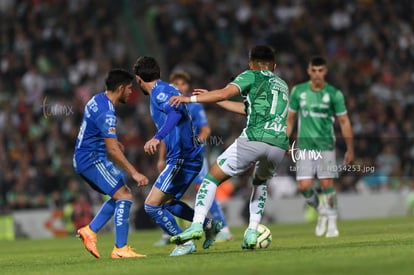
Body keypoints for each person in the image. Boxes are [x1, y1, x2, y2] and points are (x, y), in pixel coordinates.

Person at [169, 45, 289, 249]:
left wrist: (190, 99)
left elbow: (224, 93)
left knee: (212, 177)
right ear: (274, 66)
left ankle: (197, 225)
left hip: (254, 138)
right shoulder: (282, 84)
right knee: (260, 182)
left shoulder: (251, 75)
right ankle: (252, 232)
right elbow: (247, 108)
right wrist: (218, 101)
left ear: (251, 64)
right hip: (279, 144)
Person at [132, 57, 222, 256]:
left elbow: (176, 114)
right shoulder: (167, 88)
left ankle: (185, 243)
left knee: (151, 206)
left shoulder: (160, 91)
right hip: (186, 156)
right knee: (168, 203)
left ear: (138, 79)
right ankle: (208, 225)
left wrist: (156, 137)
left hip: (182, 157)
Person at [73, 68, 149, 259]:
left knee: (119, 195)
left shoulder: (96, 99)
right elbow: (113, 151)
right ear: (121, 88)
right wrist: (134, 172)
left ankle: (90, 231)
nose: (131, 93)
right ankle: (120, 248)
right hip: (91, 159)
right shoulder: (108, 113)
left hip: (87, 157)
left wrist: (113, 143)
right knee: (124, 195)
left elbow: (94, 131)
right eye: (130, 89)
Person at [154, 71, 233, 246]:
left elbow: (206, 130)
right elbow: (166, 134)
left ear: (188, 86)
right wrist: (161, 158)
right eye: (176, 84)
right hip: (174, 156)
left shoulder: (194, 104)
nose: (180, 87)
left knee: (203, 187)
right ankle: (171, 233)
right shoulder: (167, 103)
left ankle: (224, 229)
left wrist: (196, 143)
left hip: (192, 155)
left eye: (183, 84)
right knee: (166, 196)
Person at [286, 56, 354, 238]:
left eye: (320, 70)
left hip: (326, 145)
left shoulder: (334, 94)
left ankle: (332, 222)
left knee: (326, 184)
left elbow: (344, 121)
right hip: (305, 146)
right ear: (309, 71)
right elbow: (290, 119)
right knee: (304, 186)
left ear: (325, 71)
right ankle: (321, 210)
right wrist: (285, 140)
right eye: (314, 70)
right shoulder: (298, 91)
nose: (317, 74)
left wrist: (350, 147)